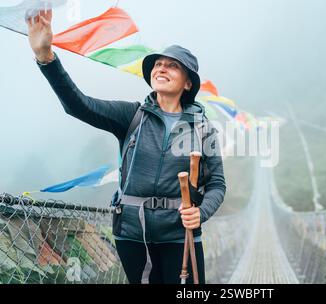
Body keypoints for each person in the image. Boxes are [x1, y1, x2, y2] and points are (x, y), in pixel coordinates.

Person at [27, 9, 226, 284]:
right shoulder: (132, 116)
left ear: (188, 82)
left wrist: (200, 213)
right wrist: (46, 57)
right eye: (158, 64)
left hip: (181, 235)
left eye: (172, 65)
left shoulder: (204, 129)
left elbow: (217, 184)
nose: (161, 68)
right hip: (133, 235)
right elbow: (78, 105)